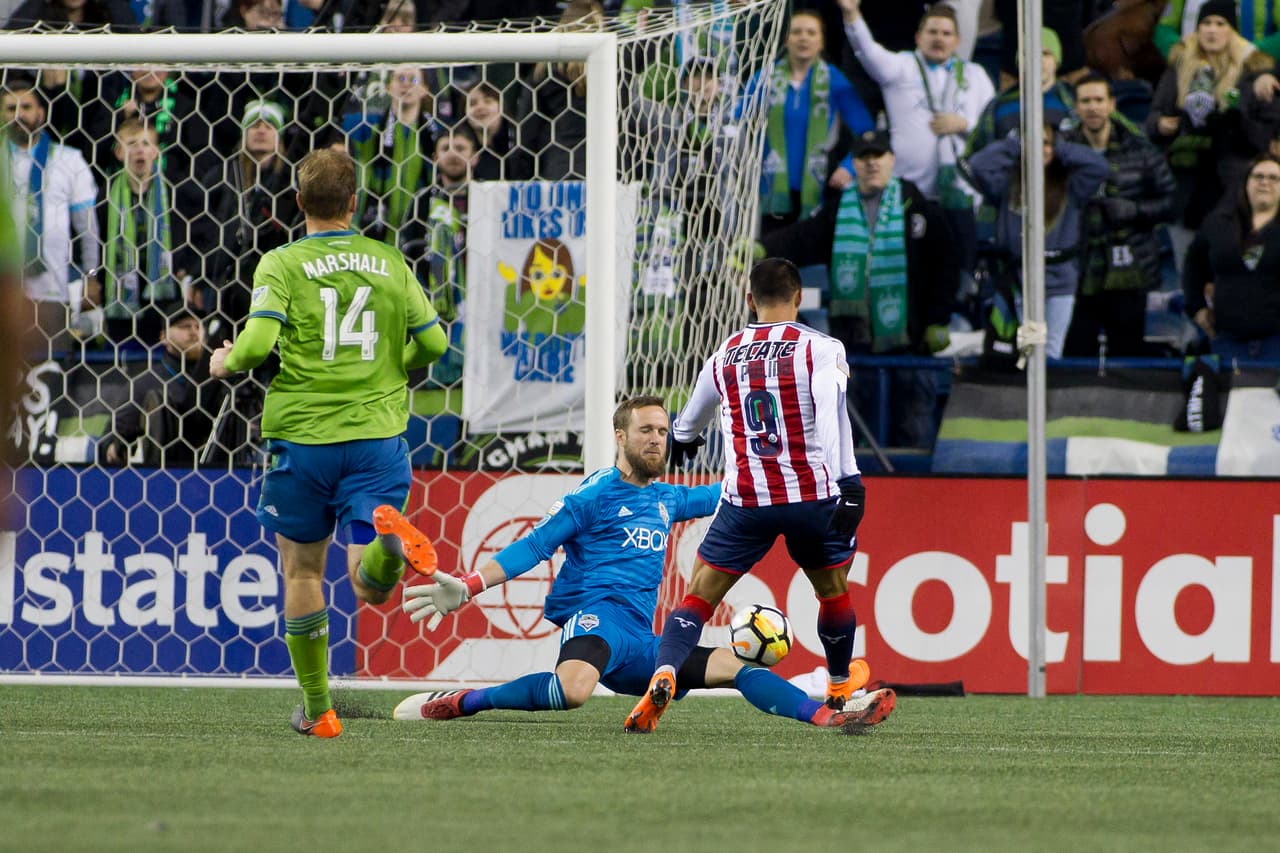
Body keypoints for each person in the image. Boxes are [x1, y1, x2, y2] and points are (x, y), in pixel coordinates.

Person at [383, 395, 895, 733]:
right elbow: (533, 546)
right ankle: (465, 701)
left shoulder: (667, 498)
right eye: (646, 429)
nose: (657, 439)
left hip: (641, 643)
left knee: (736, 666)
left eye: (663, 430)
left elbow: (729, 494)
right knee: (574, 691)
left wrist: (791, 477)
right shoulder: (594, 495)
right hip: (595, 620)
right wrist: (469, 586)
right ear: (620, 437)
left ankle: (826, 717)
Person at [208, 149, 448, 738]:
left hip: (304, 438)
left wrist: (224, 361)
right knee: (369, 586)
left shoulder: (282, 263)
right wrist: (393, 365)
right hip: (376, 438)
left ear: (297, 202)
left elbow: (255, 347)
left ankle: (319, 712)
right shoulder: (389, 261)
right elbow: (435, 344)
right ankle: (388, 542)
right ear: (354, 203)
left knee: (302, 573)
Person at [625, 259, 879, 734]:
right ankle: (839, 687)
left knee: (698, 598)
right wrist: (849, 481)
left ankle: (665, 673)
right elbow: (831, 413)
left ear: (749, 300)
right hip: (811, 496)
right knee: (832, 591)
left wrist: (684, 437)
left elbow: (687, 423)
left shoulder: (725, 353)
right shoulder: (820, 348)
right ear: (799, 297)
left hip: (746, 500)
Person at [759, 129, 957, 448]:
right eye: (863, 157)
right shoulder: (839, 209)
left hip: (911, 342)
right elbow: (800, 239)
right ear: (854, 163)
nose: (871, 163)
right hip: (855, 343)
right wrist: (761, 249)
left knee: (913, 431)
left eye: (878, 155)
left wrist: (938, 319)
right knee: (856, 438)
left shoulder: (919, 208)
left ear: (892, 160)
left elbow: (946, 265)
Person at [839, 0, 995, 276]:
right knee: (913, 269)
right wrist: (852, 15)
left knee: (960, 272)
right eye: (932, 32)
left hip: (961, 194)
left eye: (946, 33)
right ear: (918, 37)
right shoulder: (902, 67)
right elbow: (867, 50)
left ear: (957, 41)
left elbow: (991, 129)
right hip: (911, 192)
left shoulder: (976, 76)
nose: (939, 39)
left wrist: (963, 124)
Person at [1146, 2, 1280, 271]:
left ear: (1232, 31)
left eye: (1220, 24)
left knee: (1232, 270)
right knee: (1189, 269)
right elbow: (1152, 118)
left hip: (1234, 189)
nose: (1212, 30)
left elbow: (1266, 133)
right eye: (1206, 24)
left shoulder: (1255, 72)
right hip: (1186, 186)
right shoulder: (1179, 67)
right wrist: (1159, 124)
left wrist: (1236, 119)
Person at [967, 122, 1110, 359]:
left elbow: (1099, 167)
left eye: (1046, 143)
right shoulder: (1009, 183)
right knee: (1032, 351)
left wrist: (1059, 147)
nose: (1040, 149)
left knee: (1051, 352)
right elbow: (979, 165)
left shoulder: (1071, 185)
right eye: (1034, 143)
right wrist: (1017, 145)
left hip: (1060, 283)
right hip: (1024, 283)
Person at [1062, 74, 1178, 357]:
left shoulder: (1140, 146)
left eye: (1098, 100)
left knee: (1127, 354)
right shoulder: (1061, 152)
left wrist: (1135, 211)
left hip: (1130, 268)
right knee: (1077, 354)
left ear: (1112, 104)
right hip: (1078, 268)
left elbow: (1172, 202)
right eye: (1085, 101)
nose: (1093, 107)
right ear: (1076, 107)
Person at [2, 77, 101, 358]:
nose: (19, 115)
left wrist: (91, 278)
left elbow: (88, 229)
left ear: (41, 112)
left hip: (52, 292)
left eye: (26, 107)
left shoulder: (69, 160)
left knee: (50, 371)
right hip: (4, 292)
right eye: (10, 108)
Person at [184, 98, 300, 335]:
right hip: (225, 281)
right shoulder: (220, 177)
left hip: (276, 280)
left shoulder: (290, 181)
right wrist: (197, 275)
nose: (261, 130)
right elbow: (203, 230)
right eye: (254, 125)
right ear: (243, 133)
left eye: (268, 126)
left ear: (279, 135)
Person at [753, 9, 874, 232]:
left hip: (819, 188)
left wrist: (849, 167)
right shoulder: (765, 78)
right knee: (772, 251)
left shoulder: (834, 79)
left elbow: (867, 132)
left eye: (811, 32)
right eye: (797, 32)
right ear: (786, 39)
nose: (803, 38)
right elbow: (736, 118)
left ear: (821, 42)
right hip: (771, 190)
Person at [1183, 152, 1280, 360]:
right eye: (1258, 176)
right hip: (1227, 340)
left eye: (1274, 178)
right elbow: (1193, 265)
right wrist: (1197, 308)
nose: (1265, 182)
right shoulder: (1218, 224)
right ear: (1246, 183)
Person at [99, 115, 187, 347]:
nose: (139, 149)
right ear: (119, 152)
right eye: (131, 144)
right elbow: (98, 240)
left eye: (146, 143)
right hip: (120, 290)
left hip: (164, 291)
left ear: (156, 152)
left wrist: (184, 267)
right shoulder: (106, 194)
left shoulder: (174, 191)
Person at [102, 306, 224, 466]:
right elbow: (109, 441)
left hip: (217, 468)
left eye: (198, 326)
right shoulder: (143, 384)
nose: (194, 332)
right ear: (163, 337)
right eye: (185, 326)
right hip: (163, 473)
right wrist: (115, 448)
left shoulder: (219, 379)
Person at [343, 62, 441, 246]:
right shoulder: (367, 125)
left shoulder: (435, 132)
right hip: (372, 227)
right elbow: (335, 126)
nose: (406, 84)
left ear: (425, 89)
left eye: (413, 80)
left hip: (417, 231)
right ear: (388, 87)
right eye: (400, 79)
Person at [965, 27, 1075, 156]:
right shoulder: (997, 106)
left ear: (1057, 61)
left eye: (1046, 54)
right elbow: (974, 156)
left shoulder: (1075, 101)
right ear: (1020, 61)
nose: (1038, 60)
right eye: (1030, 53)